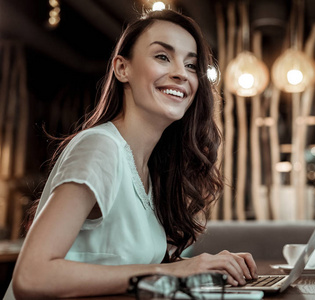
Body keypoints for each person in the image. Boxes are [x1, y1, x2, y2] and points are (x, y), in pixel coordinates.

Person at [9, 9, 257, 299]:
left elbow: (125, 267)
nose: (181, 73)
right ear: (122, 68)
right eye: (162, 57)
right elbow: (31, 276)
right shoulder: (100, 148)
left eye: (191, 65)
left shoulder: (147, 170)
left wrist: (201, 265)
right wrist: (173, 272)